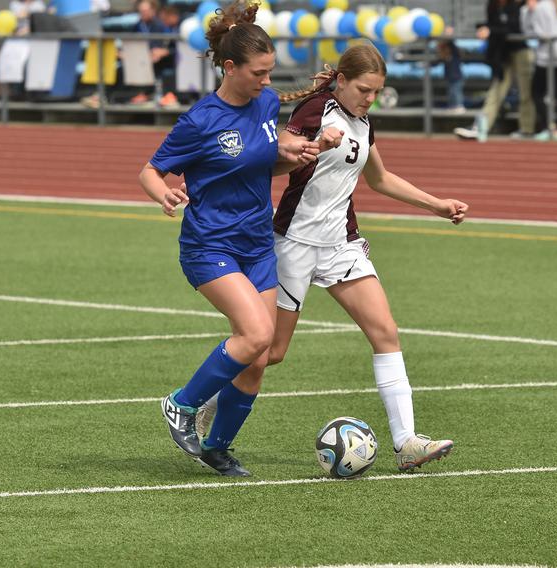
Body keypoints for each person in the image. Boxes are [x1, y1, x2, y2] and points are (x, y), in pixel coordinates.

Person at [196, 44, 469, 472]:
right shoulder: (315, 112)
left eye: (377, 92)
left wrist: (435, 204)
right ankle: (206, 399)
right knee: (269, 353)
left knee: (385, 332)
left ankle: (407, 443)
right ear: (341, 80)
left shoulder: (362, 121)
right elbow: (278, 154)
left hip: (341, 243)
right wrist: (314, 145)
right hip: (295, 243)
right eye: (363, 89)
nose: (369, 99)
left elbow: (379, 178)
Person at [139, 1, 341, 477]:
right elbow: (150, 170)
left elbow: (264, 162)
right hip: (210, 247)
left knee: (260, 355)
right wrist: (164, 195)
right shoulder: (200, 121)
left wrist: (302, 155)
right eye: (259, 73)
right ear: (230, 68)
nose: (268, 83)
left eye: (271, 73)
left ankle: (217, 446)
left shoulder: (266, 104)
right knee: (253, 334)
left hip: (256, 245)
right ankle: (181, 404)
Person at [455, 0, 535, 141]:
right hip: (502, 53)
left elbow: (514, 27)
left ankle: (527, 129)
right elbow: (494, 25)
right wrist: (484, 27)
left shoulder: (517, 5)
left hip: (520, 51)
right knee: (496, 89)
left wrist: (491, 30)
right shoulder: (492, 5)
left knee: (526, 92)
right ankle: (480, 128)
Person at [522, 0, 557, 141]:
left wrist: (528, 11)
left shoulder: (540, 8)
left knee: (536, 92)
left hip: (548, 55)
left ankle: (549, 126)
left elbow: (532, 31)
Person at [437, 38, 465, 113]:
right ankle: (452, 106)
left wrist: (447, 41)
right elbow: (436, 62)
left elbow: (452, 45)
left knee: (456, 92)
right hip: (450, 78)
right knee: (451, 93)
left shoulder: (455, 54)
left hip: (457, 77)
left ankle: (459, 105)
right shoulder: (445, 57)